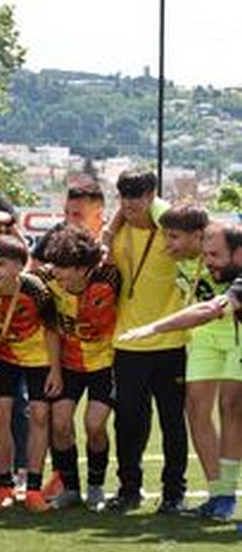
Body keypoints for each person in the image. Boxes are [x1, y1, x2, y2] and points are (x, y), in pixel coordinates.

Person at [120, 219, 241, 521]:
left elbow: (208, 310)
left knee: (231, 405)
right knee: (196, 407)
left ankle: (225, 495)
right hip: (205, 338)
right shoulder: (192, 237)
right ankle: (219, 495)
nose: (207, 260)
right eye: (206, 254)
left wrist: (153, 327)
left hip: (233, 334)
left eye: (215, 255)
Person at [103, 168, 186, 514]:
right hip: (127, 343)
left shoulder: (169, 226)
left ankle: (173, 494)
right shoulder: (119, 228)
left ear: (152, 195)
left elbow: (181, 227)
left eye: (137, 196)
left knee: (172, 421)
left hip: (170, 342)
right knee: (128, 421)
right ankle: (129, 489)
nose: (130, 203)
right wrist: (111, 227)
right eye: (124, 196)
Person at [0, 236, 61, 511]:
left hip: (39, 357)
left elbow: (53, 329)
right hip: (3, 356)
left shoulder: (35, 289)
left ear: (20, 267)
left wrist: (55, 369)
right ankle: (4, 484)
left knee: (40, 415)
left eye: (1, 264)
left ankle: (33, 487)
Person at [38, 226, 121, 511]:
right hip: (69, 363)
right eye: (55, 265)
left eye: (64, 267)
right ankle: (70, 488)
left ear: (84, 268)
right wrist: (54, 370)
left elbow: (111, 247)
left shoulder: (109, 277)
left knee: (94, 425)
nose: (57, 272)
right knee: (60, 424)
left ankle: (96, 486)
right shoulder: (46, 281)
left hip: (106, 362)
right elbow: (49, 326)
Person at [31, 179, 106, 264]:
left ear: (98, 215)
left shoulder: (115, 237)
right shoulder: (56, 234)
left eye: (77, 215)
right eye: (66, 213)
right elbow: (34, 268)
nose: (68, 220)